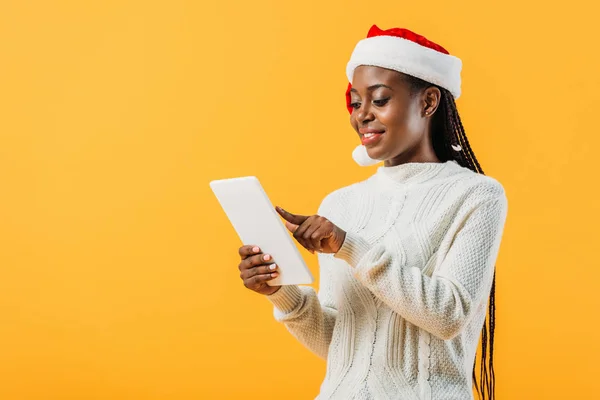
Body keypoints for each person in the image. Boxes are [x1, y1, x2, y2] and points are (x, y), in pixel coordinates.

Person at [237, 25, 507, 400]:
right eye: (355, 103)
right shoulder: (340, 204)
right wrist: (281, 293)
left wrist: (351, 247)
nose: (362, 115)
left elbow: (449, 316)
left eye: (379, 100)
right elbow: (342, 345)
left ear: (428, 102)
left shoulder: (476, 195)